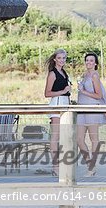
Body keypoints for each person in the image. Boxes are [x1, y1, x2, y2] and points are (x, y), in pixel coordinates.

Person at [77, 52, 106, 177]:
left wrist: (83, 91)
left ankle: (92, 167)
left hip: (92, 109)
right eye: (87, 60)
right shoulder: (84, 75)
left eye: (91, 60)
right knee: (79, 139)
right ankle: (89, 163)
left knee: (94, 139)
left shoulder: (95, 75)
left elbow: (98, 95)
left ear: (95, 63)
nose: (88, 62)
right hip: (81, 109)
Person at [44, 48, 71, 176]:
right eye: (59, 58)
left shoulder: (64, 72)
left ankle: (63, 163)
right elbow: (47, 93)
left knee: (65, 136)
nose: (62, 60)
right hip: (56, 105)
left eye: (64, 58)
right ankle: (55, 166)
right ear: (55, 59)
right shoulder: (52, 74)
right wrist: (63, 91)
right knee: (55, 137)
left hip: (65, 104)